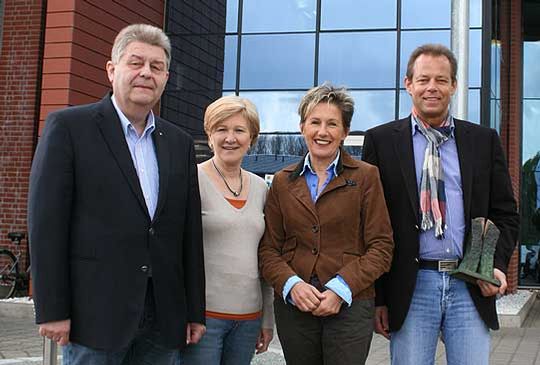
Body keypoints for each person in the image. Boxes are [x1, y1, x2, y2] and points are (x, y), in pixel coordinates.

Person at [28, 24, 206, 365]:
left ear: (166, 77)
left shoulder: (179, 143)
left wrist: (193, 311)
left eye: (156, 67)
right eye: (135, 63)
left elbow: (188, 235)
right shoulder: (69, 128)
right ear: (112, 70)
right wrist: (51, 309)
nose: (145, 73)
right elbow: (46, 225)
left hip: (163, 319)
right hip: (93, 317)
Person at [362, 44, 520, 365]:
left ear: (454, 85)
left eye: (440, 80)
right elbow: (371, 224)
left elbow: (505, 214)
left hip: (469, 285)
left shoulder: (483, 140)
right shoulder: (381, 141)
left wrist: (495, 266)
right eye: (423, 80)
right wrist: (379, 298)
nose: (431, 87)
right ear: (408, 84)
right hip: (411, 286)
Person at [258, 83, 394, 365]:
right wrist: (292, 285)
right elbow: (269, 250)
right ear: (302, 127)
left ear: (344, 132)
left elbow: (381, 247)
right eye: (315, 122)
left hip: (351, 305)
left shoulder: (367, 177)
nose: (322, 132)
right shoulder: (283, 181)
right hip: (295, 307)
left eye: (332, 124)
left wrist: (341, 289)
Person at [179, 96, 274, 365]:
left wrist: (267, 319)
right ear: (210, 136)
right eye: (221, 129)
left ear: (252, 137)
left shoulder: (261, 189)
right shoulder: (190, 180)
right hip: (202, 319)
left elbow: (264, 257)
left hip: (248, 320)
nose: (230, 138)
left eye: (239, 130)